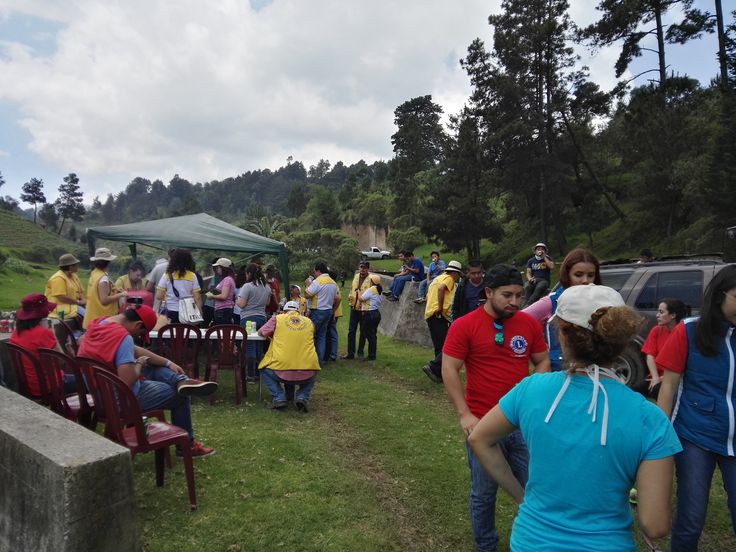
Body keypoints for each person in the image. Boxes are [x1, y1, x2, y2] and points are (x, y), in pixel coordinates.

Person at [468, 284, 681, 551]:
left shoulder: (531, 389)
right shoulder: (650, 419)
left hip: (531, 541)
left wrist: (522, 497)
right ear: (622, 340)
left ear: (563, 336)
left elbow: (480, 439)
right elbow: (656, 525)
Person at [441, 264, 550, 552]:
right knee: (484, 492)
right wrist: (464, 414)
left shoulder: (527, 324)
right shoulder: (465, 325)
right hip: (483, 423)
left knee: (534, 487)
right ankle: (486, 545)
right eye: (507, 295)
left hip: (521, 423)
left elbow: (542, 361)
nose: (515, 302)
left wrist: (530, 396)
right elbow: (449, 368)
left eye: (519, 295)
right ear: (488, 292)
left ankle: (531, 540)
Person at [656, 265, 736, 551]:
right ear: (720, 295)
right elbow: (668, 386)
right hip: (694, 436)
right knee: (691, 518)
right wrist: (661, 436)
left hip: (734, 439)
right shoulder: (689, 330)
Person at [77, 304, 217, 457]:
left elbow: (135, 351)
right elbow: (126, 380)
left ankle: (181, 380)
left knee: (152, 365)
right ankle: (186, 446)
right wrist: (138, 365)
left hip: (100, 395)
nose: (138, 338)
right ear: (138, 325)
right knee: (180, 396)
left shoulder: (99, 324)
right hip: (121, 401)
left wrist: (168, 363)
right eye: (141, 333)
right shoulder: (123, 338)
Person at [523, 248, 601, 371]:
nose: (585, 280)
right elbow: (520, 320)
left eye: (590, 275)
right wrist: (540, 351)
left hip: (592, 373)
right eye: (578, 275)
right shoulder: (552, 301)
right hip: (559, 373)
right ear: (567, 275)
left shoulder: (601, 301)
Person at [257, 300, 320, 412]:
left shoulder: (277, 319)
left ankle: (279, 398)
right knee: (313, 370)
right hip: (308, 368)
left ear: (284, 311)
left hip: (280, 368)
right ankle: (302, 397)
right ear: (299, 312)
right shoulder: (309, 322)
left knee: (264, 369)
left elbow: (261, 332)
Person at [9, 294, 75, 396]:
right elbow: (63, 363)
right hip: (52, 386)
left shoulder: (16, 333)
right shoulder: (43, 333)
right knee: (90, 381)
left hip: (30, 386)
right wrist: (54, 335)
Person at [421, 261, 463, 383]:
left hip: (429, 314)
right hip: (438, 314)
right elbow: (441, 289)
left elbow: (426, 297)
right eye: (458, 275)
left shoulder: (436, 279)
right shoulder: (448, 278)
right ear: (454, 273)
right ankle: (433, 367)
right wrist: (439, 307)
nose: (458, 278)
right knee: (447, 345)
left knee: (439, 345)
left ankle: (438, 373)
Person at [641, 298, 688, 393]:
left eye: (661, 312)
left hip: (675, 379)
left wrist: (663, 379)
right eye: (658, 311)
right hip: (656, 377)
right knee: (635, 390)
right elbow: (650, 355)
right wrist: (655, 377)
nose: (657, 315)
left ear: (673, 315)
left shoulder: (684, 334)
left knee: (656, 391)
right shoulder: (656, 330)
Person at [237, 263, 271, 378]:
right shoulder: (267, 287)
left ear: (249, 273)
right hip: (262, 318)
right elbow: (267, 303)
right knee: (259, 346)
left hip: (248, 319)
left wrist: (237, 300)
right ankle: (259, 372)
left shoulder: (247, 286)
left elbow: (241, 304)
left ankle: (250, 375)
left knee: (250, 345)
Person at [83, 248, 127, 329]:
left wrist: (114, 290)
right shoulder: (103, 278)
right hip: (101, 319)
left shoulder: (95, 273)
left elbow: (97, 291)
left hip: (92, 316)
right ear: (108, 262)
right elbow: (104, 300)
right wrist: (121, 294)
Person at [45, 253, 86, 339]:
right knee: (87, 315)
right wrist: (78, 302)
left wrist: (83, 300)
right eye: (76, 264)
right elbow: (61, 297)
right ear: (70, 267)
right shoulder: (58, 278)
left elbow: (80, 290)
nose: (78, 266)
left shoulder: (74, 275)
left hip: (73, 304)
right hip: (60, 306)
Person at [304, 261, 339, 363]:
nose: (313, 274)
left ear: (318, 271)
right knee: (321, 337)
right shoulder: (333, 282)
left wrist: (307, 285)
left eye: (314, 272)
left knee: (309, 334)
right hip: (328, 311)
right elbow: (336, 298)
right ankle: (320, 360)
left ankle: (311, 360)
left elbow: (307, 294)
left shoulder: (318, 281)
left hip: (318, 311)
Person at [155, 248, 202, 324]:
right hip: (188, 313)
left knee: (172, 334)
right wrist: (199, 314)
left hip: (171, 312)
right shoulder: (192, 276)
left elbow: (158, 295)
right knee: (186, 334)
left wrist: (168, 298)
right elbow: (197, 298)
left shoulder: (167, 275)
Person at [342, 261, 372, 360]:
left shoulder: (371, 279)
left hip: (364, 309)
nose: (362, 270)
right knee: (351, 331)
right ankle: (350, 353)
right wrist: (350, 295)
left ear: (368, 269)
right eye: (361, 267)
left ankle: (360, 352)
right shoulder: (356, 276)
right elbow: (352, 288)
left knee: (363, 331)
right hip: (354, 307)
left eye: (365, 268)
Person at [359, 274, 384, 361]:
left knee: (369, 335)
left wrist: (358, 292)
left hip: (369, 314)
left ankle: (371, 355)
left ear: (372, 281)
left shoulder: (371, 289)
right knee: (373, 335)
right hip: (376, 313)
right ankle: (372, 354)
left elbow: (361, 299)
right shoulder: (379, 290)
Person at [205, 258, 237, 325]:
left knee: (221, 331)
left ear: (223, 268)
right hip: (224, 309)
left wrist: (212, 296)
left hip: (223, 310)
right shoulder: (229, 278)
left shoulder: (227, 279)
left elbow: (224, 296)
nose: (217, 269)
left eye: (218, 267)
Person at [323, 269, 342, 362]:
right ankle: (331, 352)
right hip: (332, 312)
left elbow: (337, 299)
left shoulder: (333, 286)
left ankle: (333, 354)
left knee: (332, 333)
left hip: (333, 313)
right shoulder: (333, 285)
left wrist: (333, 312)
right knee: (330, 332)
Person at [147, 249, 175, 314]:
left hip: (158, 306)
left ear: (168, 256)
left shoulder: (158, 267)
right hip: (175, 308)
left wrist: (158, 290)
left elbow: (148, 287)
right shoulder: (183, 271)